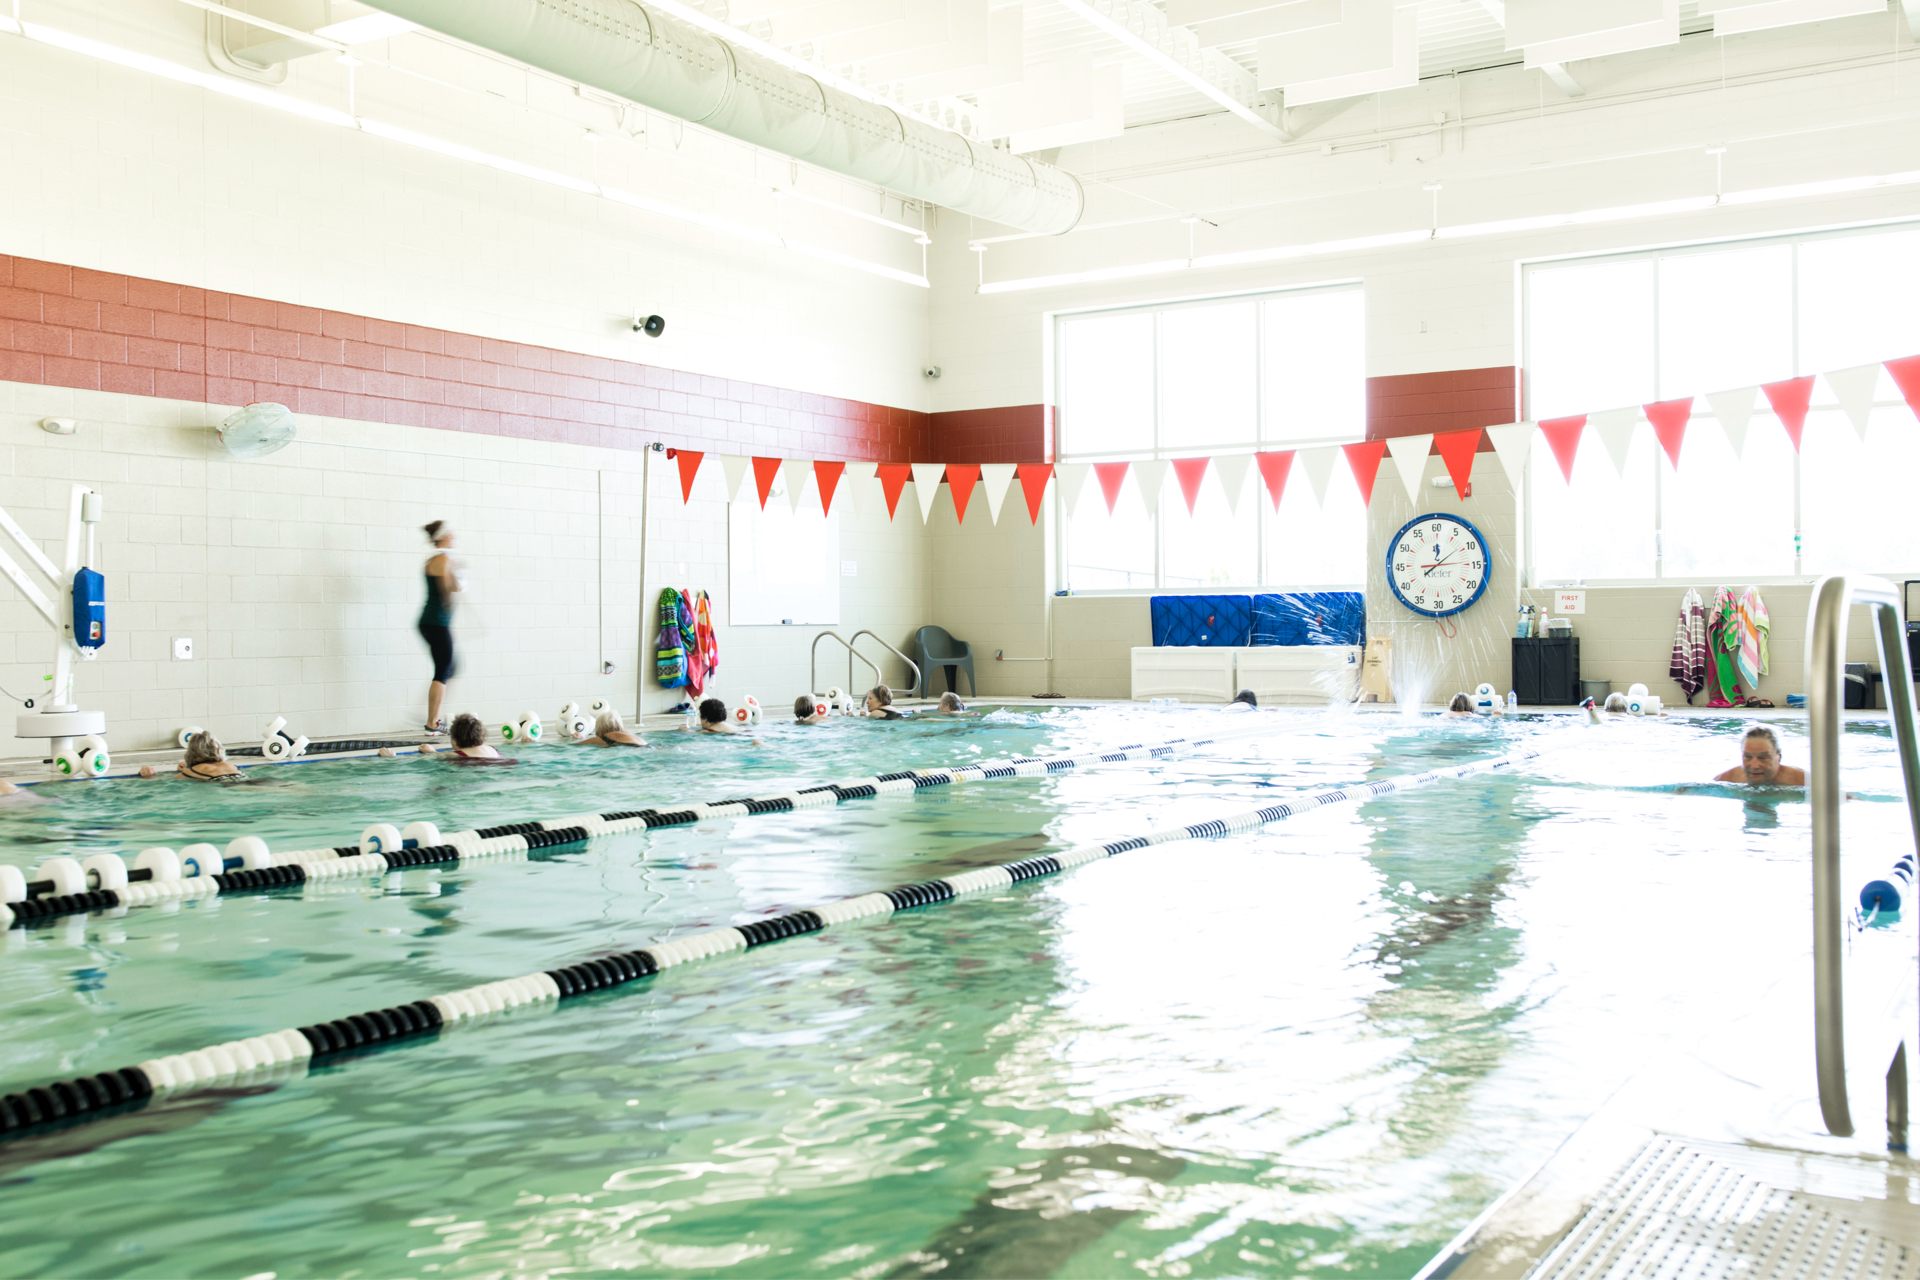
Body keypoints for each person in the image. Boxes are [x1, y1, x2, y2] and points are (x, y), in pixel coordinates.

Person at [418, 520, 460, 735]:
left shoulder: (435, 560)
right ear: (442, 537)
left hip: (431, 622)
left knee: (450, 667)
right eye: (450, 534)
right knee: (444, 669)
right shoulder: (442, 559)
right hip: (436, 622)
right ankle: (432, 722)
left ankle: (431, 716)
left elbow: (453, 585)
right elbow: (447, 590)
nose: (453, 536)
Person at [1715, 725, 1805, 786]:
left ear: (1779, 758)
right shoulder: (1726, 780)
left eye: (1763, 757)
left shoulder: (1802, 781)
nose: (1754, 766)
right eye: (1748, 757)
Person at [168, 730, 248, 782]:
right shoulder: (230, 765)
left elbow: (175, 779)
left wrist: (182, 771)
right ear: (218, 748)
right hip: (241, 778)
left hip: (222, 784)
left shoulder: (190, 771)